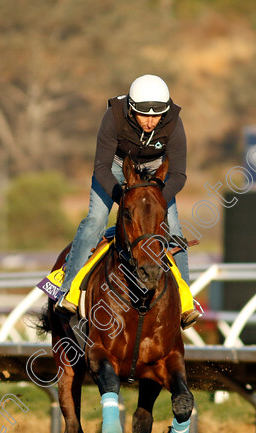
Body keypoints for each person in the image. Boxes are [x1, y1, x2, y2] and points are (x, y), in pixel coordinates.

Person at [55, 74, 200, 329]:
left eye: (156, 116)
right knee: (95, 221)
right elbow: (101, 167)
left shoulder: (175, 123)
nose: (150, 121)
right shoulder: (113, 117)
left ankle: (185, 303)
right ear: (131, 108)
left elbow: (178, 175)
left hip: (156, 173)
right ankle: (70, 292)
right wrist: (126, 200)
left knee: (175, 231)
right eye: (144, 115)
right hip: (116, 167)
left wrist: (151, 201)